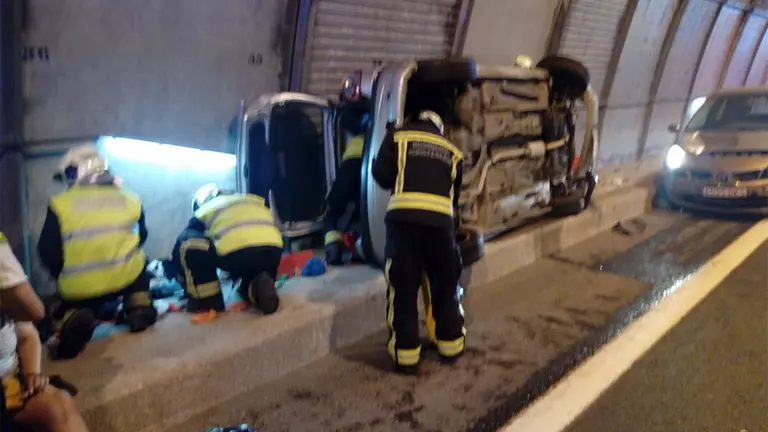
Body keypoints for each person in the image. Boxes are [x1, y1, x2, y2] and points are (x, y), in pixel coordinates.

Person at [38, 144, 157, 360]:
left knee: (67, 305)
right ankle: (139, 305)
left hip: (80, 288)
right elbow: (142, 237)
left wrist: (62, 274)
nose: (68, 180)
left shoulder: (60, 204)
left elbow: (47, 251)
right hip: (126, 278)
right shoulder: (130, 198)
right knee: (140, 267)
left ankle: (73, 316)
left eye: (70, 174)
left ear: (81, 170)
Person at [371, 110, 466, 374]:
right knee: (445, 288)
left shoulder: (399, 137)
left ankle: (406, 356)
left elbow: (381, 176)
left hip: (404, 226)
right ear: (439, 129)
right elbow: (454, 198)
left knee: (403, 289)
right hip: (441, 230)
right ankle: (452, 346)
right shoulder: (452, 150)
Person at [1, 232, 91, 432]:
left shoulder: (7, 303)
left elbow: (27, 333)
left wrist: (32, 374)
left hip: (11, 389)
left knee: (59, 404)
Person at [172, 184, 283, 314]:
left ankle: (207, 300)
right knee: (250, 273)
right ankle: (257, 286)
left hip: (238, 254)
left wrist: (183, 279)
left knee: (187, 240)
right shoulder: (250, 200)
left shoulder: (206, 210)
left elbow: (189, 246)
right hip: (274, 253)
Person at [323, 114, 368, 265]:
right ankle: (360, 249)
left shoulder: (354, 133)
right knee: (362, 212)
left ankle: (333, 251)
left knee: (332, 212)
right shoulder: (375, 127)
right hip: (366, 168)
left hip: (351, 165)